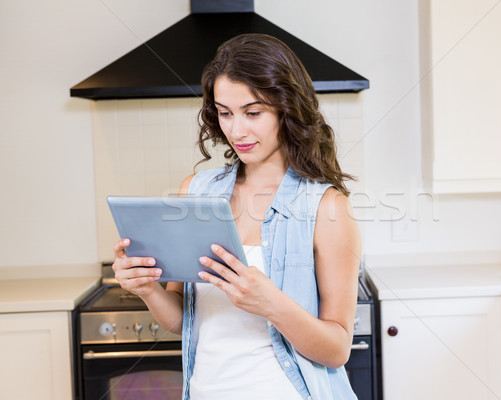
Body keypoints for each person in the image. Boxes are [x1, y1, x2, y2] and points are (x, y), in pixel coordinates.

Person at [112, 33, 361, 400]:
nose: (236, 131)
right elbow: (185, 321)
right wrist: (147, 289)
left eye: (253, 112)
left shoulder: (326, 207)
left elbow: (337, 349)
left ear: (286, 108)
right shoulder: (194, 192)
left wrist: (271, 304)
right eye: (224, 113)